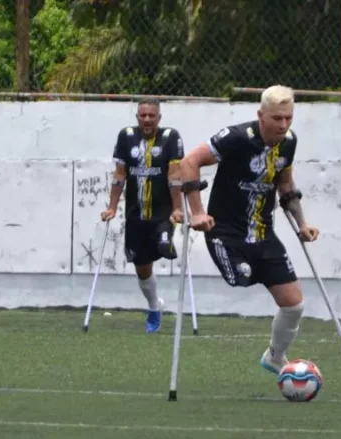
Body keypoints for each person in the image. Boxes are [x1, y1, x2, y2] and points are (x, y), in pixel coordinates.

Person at [172, 85, 319, 374]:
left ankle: (275, 357)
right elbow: (189, 162)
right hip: (225, 232)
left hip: (264, 233)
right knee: (243, 277)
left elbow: (285, 184)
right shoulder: (236, 138)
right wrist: (198, 212)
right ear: (261, 115)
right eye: (277, 118)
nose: (284, 125)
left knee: (294, 306)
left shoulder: (288, 143)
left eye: (288, 118)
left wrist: (302, 224)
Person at [102, 98, 184, 333]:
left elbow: (175, 175)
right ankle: (154, 306)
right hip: (136, 214)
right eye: (143, 115)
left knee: (163, 244)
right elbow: (120, 175)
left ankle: (165, 241)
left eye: (152, 115)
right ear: (137, 117)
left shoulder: (170, 137)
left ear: (159, 117)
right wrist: (112, 207)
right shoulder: (126, 136)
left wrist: (177, 208)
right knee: (142, 268)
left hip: (162, 213)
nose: (147, 119)